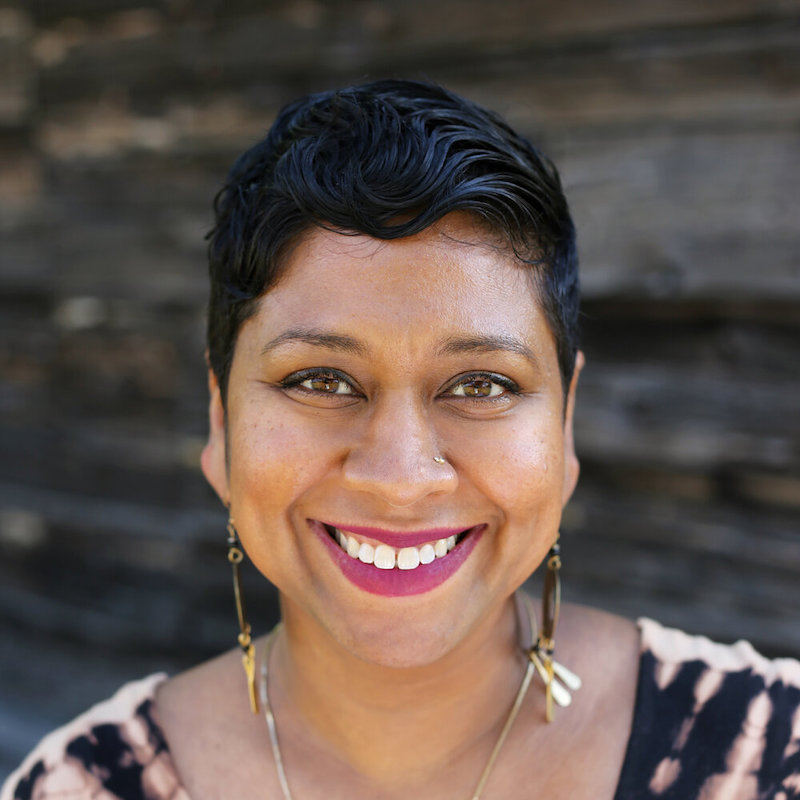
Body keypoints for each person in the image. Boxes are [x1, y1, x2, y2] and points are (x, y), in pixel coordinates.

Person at [3, 80, 799, 800]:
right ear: (220, 422)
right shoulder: (84, 788)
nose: (399, 476)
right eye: (320, 380)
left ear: (564, 423)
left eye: (480, 385)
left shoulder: (770, 756)